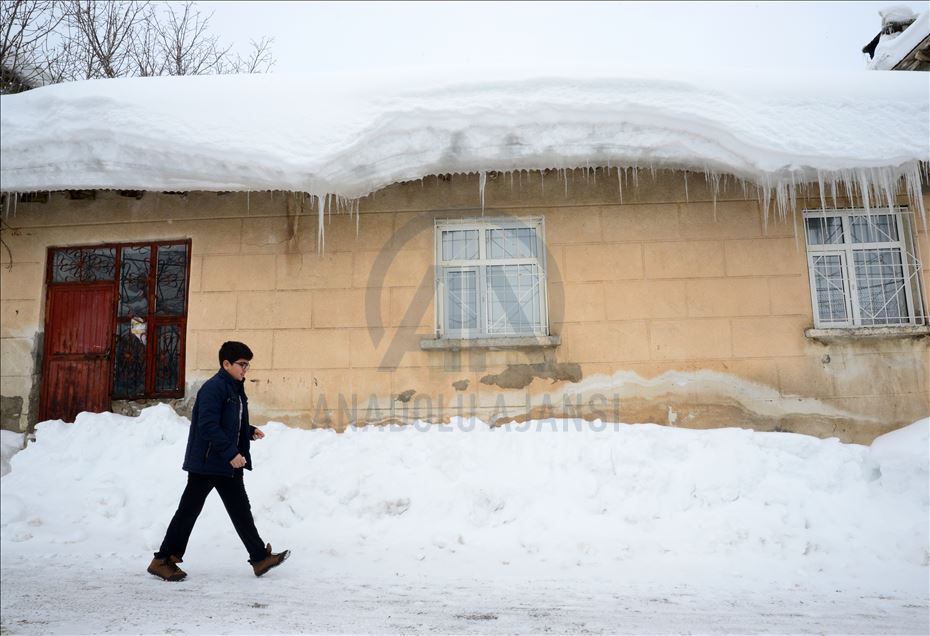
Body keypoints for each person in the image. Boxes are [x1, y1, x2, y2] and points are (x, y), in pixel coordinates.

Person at [147, 341, 289, 581]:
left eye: (247, 365)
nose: (246, 369)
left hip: (224, 463)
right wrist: (231, 454)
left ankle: (259, 558)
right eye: (242, 364)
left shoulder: (233, 388)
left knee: (241, 510)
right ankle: (162, 559)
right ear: (226, 364)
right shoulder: (215, 388)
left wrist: (248, 431)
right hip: (208, 463)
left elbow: (228, 422)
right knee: (188, 512)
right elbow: (208, 425)